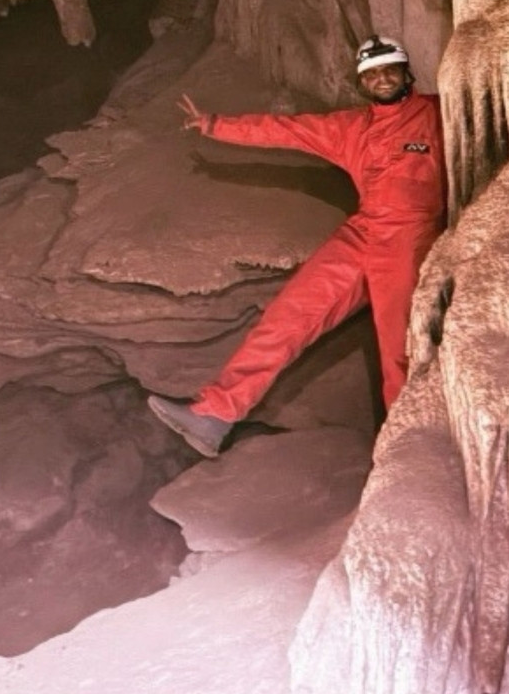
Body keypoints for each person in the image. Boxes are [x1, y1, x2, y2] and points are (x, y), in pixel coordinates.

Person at [147, 36, 446, 458]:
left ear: (406, 73)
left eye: (389, 70)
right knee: (288, 316)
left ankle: (409, 452)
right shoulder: (351, 127)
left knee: (399, 349)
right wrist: (215, 125)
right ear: (361, 82)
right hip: (363, 233)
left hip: (408, 240)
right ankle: (215, 414)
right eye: (371, 74)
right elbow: (285, 130)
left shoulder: (437, 114)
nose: (381, 79)